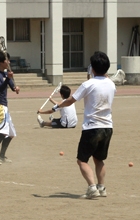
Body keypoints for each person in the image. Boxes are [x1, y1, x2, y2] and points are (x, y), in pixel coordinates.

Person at [53, 51, 115, 198]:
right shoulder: (111, 85)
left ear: (92, 68)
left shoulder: (88, 84)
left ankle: (92, 188)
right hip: (107, 127)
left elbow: (70, 100)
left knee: (82, 160)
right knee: (99, 159)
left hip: (92, 127)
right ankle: (102, 188)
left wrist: (57, 106)